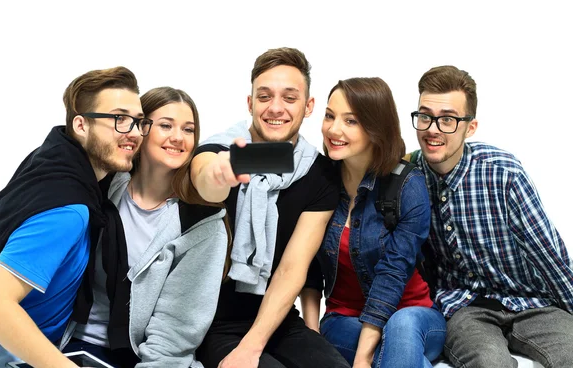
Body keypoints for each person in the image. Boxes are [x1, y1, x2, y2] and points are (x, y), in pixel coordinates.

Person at [0, 66, 148, 368]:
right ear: (81, 125)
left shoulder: (54, 156)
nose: (133, 132)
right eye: (119, 119)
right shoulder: (68, 210)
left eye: (138, 121)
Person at [191, 47, 350, 368]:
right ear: (250, 103)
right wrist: (220, 174)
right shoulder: (223, 148)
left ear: (308, 107)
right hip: (211, 321)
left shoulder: (317, 172)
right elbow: (205, 177)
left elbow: (293, 268)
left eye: (289, 98)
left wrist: (252, 346)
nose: (275, 108)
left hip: (277, 317)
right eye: (264, 97)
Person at [409, 65, 573, 368]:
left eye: (447, 119)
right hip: (464, 306)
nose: (432, 129)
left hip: (531, 300)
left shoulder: (502, 172)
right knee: (489, 363)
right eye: (425, 116)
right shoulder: (409, 175)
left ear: (470, 128)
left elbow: (548, 253)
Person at [58, 86, 231, 368]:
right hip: (64, 342)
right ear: (140, 129)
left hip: (137, 357)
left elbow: (175, 332)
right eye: (166, 125)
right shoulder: (101, 186)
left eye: (188, 130)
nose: (178, 137)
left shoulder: (202, 226)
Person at [300, 77, 446, 368]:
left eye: (350, 121)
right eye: (329, 116)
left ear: (375, 128)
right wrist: (311, 334)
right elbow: (309, 268)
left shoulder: (407, 183)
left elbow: (393, 272)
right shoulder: (318, 180)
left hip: (416, 316)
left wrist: (363, 359)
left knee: (401, 327)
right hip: (344, 319)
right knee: (398, 356)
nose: (333, 129)